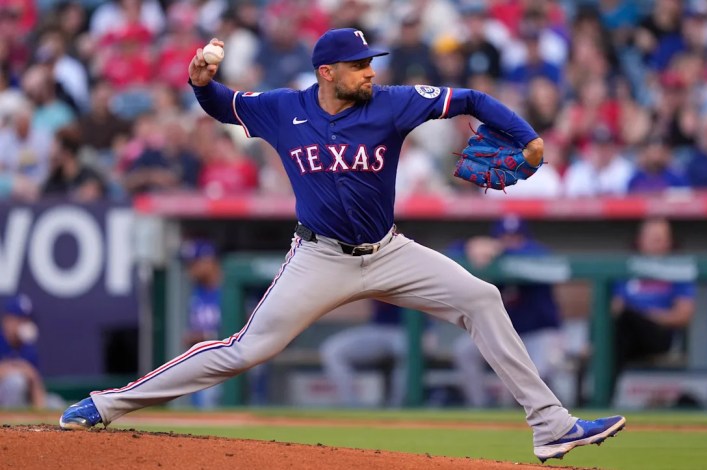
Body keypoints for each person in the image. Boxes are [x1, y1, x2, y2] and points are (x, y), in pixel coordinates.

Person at [59, 29, 624, 463]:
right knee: (244, 350)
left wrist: (528, 140)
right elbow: (223, 105)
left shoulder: (392, 103)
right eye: (359, 66)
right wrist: (202, 83)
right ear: (327, 72)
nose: (369, 72)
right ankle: (107, 404)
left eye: (370, 63)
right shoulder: (284, 109)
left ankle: (550, 426)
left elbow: (471, 97)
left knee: (481, 298)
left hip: (389, 251)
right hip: (319, 257)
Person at [451, 216, 564, 408]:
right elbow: (449, 254)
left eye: (516, 237)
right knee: (464, 350)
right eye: (504, 238)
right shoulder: (490, 255)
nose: (510, 241)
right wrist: (471, 245)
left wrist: (503, 250)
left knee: (538, 373)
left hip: (540, 333)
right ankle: (480, 408)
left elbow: (543, 257)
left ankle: (551, 412)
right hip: (502, 334)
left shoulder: (536, 254)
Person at [610, 218, 696, 401]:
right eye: (652, 238)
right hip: (628, 335)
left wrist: (646, 316)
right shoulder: (627, 269)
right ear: (640, 240)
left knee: (626, 321)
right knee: (615, 332)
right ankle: (595, 397)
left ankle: (601, 398)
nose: (657, 244)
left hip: (659, 334)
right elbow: (613, 307)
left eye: (661, 238)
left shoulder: (678, 270)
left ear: (669, 242)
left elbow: (684, 314)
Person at [320, 300, 410, 408]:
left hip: (415, 332)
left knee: (406, 350)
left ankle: (398, 408)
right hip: (378, 328)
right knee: (333, 350)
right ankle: (352, 406)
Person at [179, 239, 223, 409]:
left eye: (194, 263)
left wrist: (205, 336)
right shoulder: (197, 290)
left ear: (208, 261)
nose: (190, 269)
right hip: (203, 365)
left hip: (230, 364)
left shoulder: (231, 289)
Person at [0, 295, 46, 409]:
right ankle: (7, 424)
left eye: (27, 320)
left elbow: (35, 381)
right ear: (7, 320)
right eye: (20, 320)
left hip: (24, 399)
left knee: (55, 402)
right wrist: (19, 368)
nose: (24, 324)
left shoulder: (28, 348)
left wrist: (40, 410)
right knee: (15, 382)